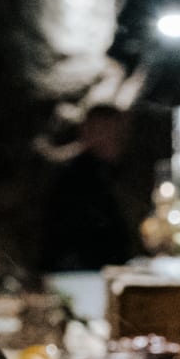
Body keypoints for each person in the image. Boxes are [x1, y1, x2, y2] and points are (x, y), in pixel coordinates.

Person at [38, 106, 138, 272]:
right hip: (82, 277)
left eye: (119, 132)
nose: (118, 138)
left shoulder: (110, 174)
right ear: (87, 131)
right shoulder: (77, 177)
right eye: (107, 130)